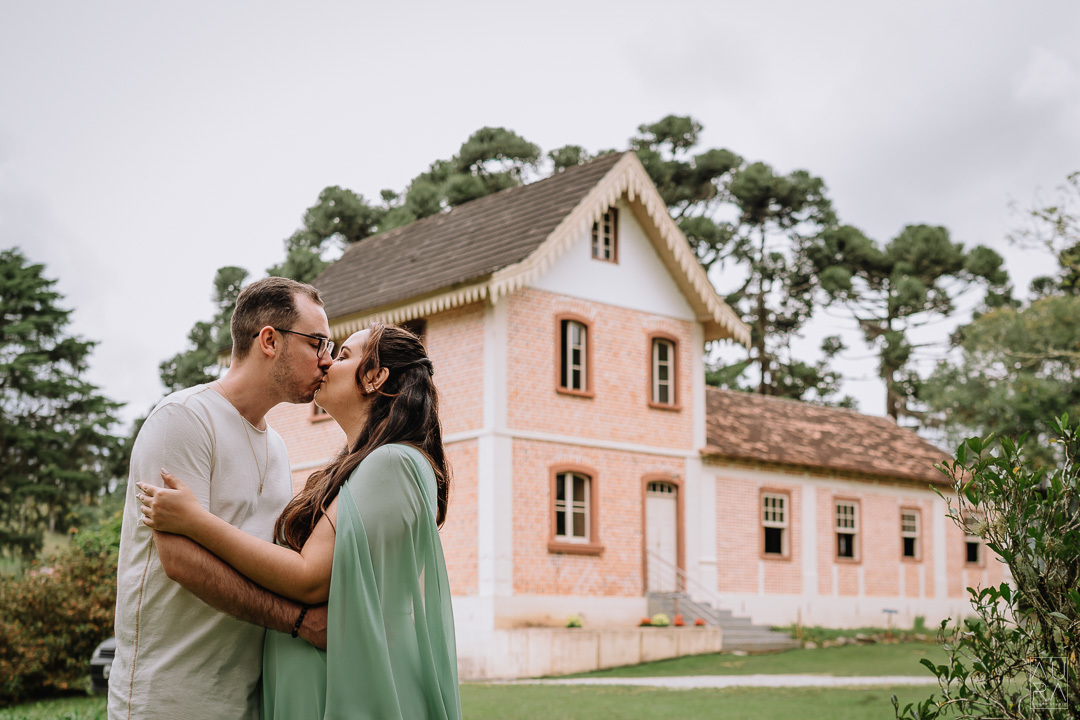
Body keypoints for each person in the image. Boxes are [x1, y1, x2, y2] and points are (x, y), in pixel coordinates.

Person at [137, 322, 462, 720]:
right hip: (313, 680)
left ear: (376, 377)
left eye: (342, 355)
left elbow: (309, 578)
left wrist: (195, 521)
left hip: (344, 686)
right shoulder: (361, 467)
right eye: (323, 349)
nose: (326, 363)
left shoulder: (393, 462)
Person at [109, 277, 335, 720]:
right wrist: (297, 621)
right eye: (317, 343)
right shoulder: (183, 420)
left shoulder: (278, 449)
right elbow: (180, 561)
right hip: (167, 700)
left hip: (248, 701)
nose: (326, 360)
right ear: (269, 340)